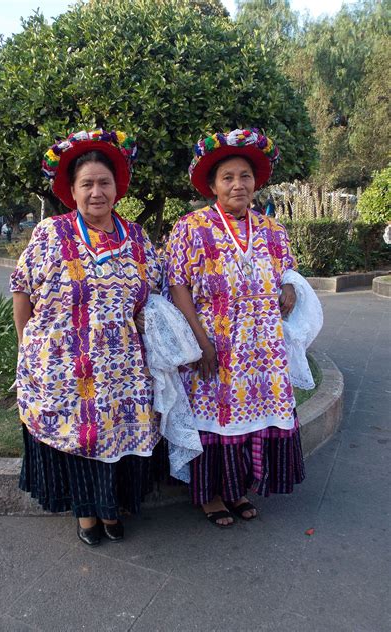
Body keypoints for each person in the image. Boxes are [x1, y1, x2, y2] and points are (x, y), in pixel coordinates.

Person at [10, 129, 162, 545]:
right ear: (72, 191)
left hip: (122, 368)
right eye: (87, 184)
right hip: (62, 366)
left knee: (116, 433)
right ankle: (87, 514)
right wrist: (28, 347)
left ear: (118, 188)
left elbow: (159, 296)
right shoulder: (50, 234)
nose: (97, 192)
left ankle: (112, 509)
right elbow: (21, 288)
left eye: (104, 183)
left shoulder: (138, 240)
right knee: (77, 437)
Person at [164, 128, 305, 527]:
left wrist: (291, 286)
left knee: (253, 416)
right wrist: (200, 341)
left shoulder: (272, 229)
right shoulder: (192, 227)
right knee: (215, 418)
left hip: (262, 346)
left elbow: (288, 270)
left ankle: (236, 489)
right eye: (227, 177)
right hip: (215, 341)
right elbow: (177, 285)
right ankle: (210, 496)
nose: (238, 185)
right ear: (212, 185)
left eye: (245, 176)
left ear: (256, 182)